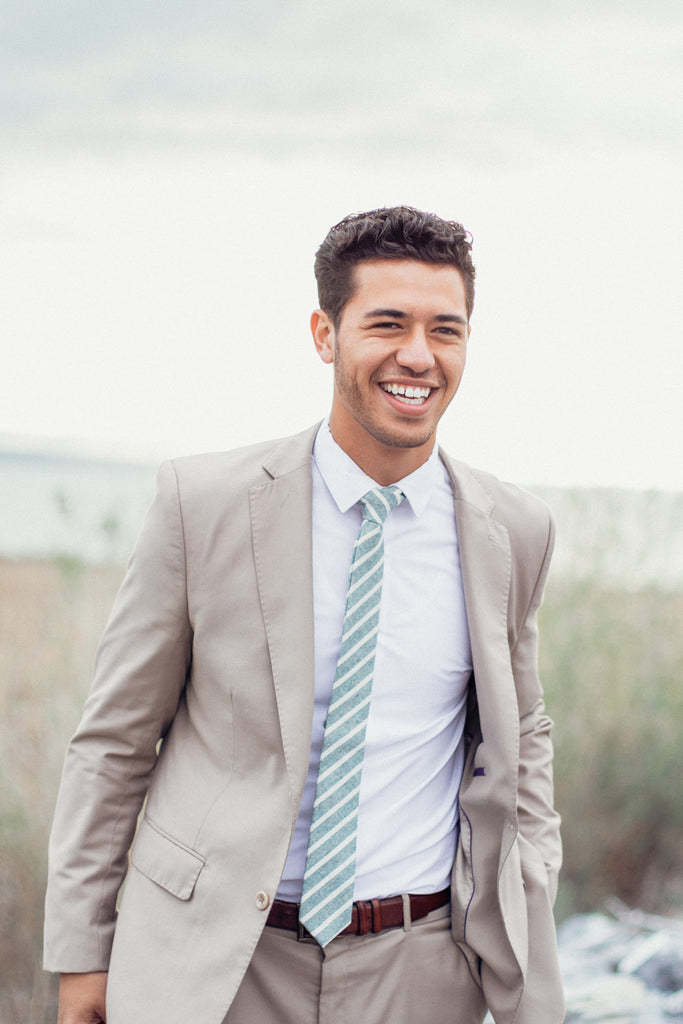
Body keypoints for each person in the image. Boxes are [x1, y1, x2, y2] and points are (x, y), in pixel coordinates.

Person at [44, 206, 565, 1024]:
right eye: (386, 324)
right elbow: (112, 744)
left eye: (445, 330)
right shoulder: (203, 505)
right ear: (325, 334)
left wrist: (529, 897)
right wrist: (81, 953)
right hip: (217, 963)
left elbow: (521, 738)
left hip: (423, 965)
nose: (417, 357)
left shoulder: (514, 531)